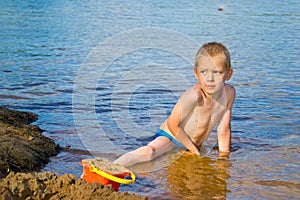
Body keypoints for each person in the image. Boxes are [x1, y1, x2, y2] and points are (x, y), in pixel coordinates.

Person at [113, 42, 235, 167]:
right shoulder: (195, 95)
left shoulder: (229, 93)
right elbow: (173, 124)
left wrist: (223, 159)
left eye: (217, 72)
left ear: (228, 74)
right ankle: (111, 167)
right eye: (204, 72)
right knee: (149, 152)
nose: (210, 78)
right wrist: (193, 150)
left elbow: (224, 130)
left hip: (192, 145)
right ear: (196, 73)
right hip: (172, 137)